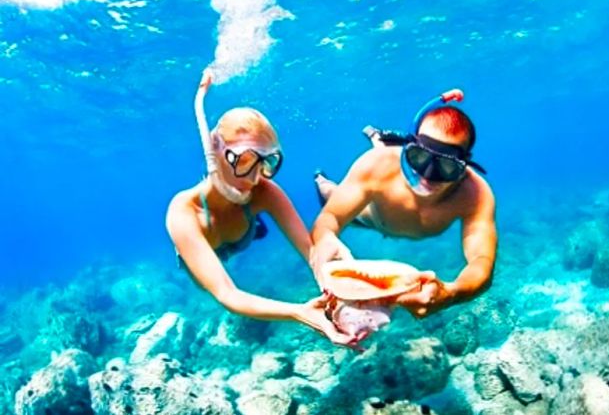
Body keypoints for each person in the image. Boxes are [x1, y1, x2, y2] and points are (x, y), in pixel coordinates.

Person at [166, 71, 355, 346]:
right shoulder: (183, 212)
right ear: (214, 150)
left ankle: (261, 221)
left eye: (268, 163)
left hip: (244, 227)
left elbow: (312, 253)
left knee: (256, 224)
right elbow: (228, 295)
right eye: (244, 161)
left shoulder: (264, 191)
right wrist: (300, 312)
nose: (255, 178)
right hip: (202, 245)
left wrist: (337, 285)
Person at [311, 89, 497, 318]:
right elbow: (330, 218)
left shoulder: (475, 195)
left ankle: (380, 140)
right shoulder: (376, 165)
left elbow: (482, 261)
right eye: (418, 157)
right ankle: (322, 176)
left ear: (463, 167)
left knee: (385, 160)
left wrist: (452, 292)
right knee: (330, 192)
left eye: (446, 167)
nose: (428, 176)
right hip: (366, 218)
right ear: (409, 149)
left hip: (388, 186)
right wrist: (325, 237)